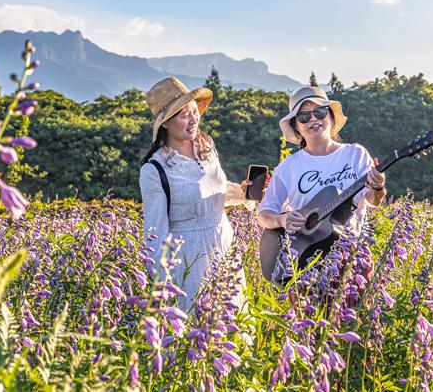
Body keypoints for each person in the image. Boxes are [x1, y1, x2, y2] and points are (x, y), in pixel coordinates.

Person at [139, 77, 249, 311]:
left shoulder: (207, 148)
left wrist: (243, 191)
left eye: (194, 111)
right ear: (165, 123)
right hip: (189, 260)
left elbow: (214, 189)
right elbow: (154, 235)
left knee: (234, 328)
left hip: (224, 246)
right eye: (184, 115)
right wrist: (163, 289)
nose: (194, 119)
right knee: (195, 335)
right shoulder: (154, 170)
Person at [257, 86, 386, 272]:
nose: (313, 120)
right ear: (296, 126)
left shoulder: (355, 154)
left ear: (331, 117)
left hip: (352, 256)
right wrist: (281, 220)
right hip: (305, 262)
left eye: (319, 112)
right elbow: (264, 215)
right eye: (304, 117)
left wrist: (378, 186)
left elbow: (374, 200)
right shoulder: (288, 167)